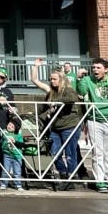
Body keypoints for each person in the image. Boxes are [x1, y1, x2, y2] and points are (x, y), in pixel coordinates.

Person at [29, 58, 82, 191]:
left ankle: (70, 179)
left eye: (54, 79)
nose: (51, 81)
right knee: (54, 152)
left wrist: (57, 102)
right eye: (50, 79)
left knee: (70, 153)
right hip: (55, 127)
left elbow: (72, 99)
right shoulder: (50, 92)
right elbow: (35, 81)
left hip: (69, 126)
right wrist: (35, 66)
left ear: (61, 79)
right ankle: (64, 175)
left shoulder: (68, 90)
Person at [76, 58, 108, 193]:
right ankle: (99, 180)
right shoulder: (88, 80)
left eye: (98, 68)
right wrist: (79, 78)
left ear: (106, 69)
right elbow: (81, 91)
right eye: (94, 67)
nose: (95, 70)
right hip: (94, 118)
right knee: (98, 152)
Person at [0, 119, 25, 191]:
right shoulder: (5, 132)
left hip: (17, 155)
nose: (9, 127)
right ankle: (4, 184)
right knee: (5, 170)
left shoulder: (18, 135)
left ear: (16, 129)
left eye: (12, 127)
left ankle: (18, 184)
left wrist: (15, 142)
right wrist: (0, 134)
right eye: (9, 124)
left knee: (17, 171)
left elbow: (22, 144)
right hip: (7, 155)